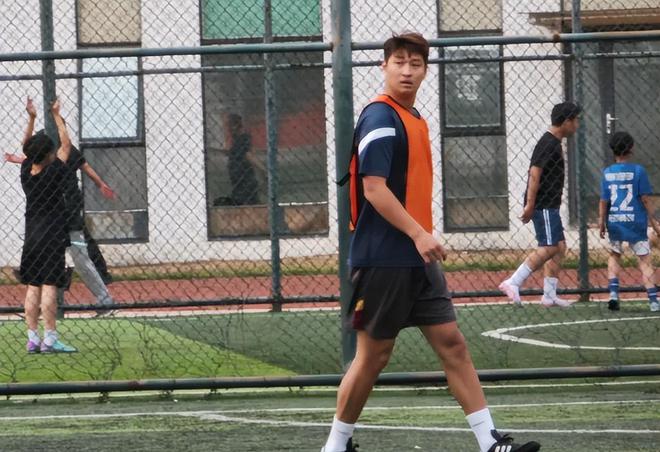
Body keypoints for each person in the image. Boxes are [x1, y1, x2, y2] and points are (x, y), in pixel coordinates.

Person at [321, 33, 540, 452]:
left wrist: (421, 240)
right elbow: (373, 189)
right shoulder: (380, 117)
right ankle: (335, 446)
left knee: (452, 345)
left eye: (415, 64)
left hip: (418, 259)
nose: (407, 70)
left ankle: (490, 443)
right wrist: (419, 234)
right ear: (383, 66)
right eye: (399, 62)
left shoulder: (414, 117)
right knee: (372, 357)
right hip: (385, 260)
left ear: (425, 70)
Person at [6, 98, 116, 312]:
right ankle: (57, 290)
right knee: (48, 257)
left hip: (67, 212)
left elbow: (73, 159)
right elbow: (35, 153)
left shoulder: (51, 162)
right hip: (51, 218)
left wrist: (32, 118)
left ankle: (104, 299)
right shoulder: (52, 161)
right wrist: (54, 115)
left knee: (80, 258)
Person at [499, 102, 581, 307]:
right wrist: (530, 204)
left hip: (550, 205)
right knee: (550, 246)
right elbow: (534, 173)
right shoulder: (548, 143)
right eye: (575, 120)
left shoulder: (554, 142)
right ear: (566, 121)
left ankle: (549, 295)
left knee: (559, 247)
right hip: (543, 205)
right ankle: (513, 282)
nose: (577, 125)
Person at [19, 98, 76, 353]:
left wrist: (31, 118)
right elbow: (67, 145)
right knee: (50, 284)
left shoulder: (26, 170)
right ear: (48, 155)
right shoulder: (54, 171)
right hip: (52, 234)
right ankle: (50, 338)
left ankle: (32, 338)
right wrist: (56, 116)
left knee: (33, 284)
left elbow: (26, 147)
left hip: (32, 235)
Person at [598, 131, 660, 312]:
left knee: (614, 255)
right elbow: (645, 199)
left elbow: (604, 201)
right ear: (631, 148)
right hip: (635, 222)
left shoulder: (607, 172)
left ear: (613, 150)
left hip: (615, 221)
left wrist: (602, 222)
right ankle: (653, 300)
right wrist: (654, 223)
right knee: (645, 260)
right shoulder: (639, 171)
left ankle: (613, 294)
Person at [227, 114, 259, 205]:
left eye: (230, 125)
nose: (229, 129)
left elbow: (248, 155)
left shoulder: (244, 138)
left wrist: (262, 169)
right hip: (237, 175)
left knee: (248, 198)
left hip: (244, 174)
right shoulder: (236, 139)